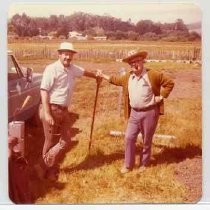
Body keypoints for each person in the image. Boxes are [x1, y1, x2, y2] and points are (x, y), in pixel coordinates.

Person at [97, 50, 174, 174]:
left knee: (146, 140)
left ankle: (144, 163)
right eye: (131, 63)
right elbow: (116, 80)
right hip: (134, 113)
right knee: (129, 137)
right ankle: (128, 165)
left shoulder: (153, 74)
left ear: (142, 61)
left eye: (137, 61)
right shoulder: (128, 76)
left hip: (150, 112)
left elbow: (169, 83)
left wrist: (161, 96)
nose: (134, 64)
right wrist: (103, 75)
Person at [35, 42, 101, 181]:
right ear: (59, 54)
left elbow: (85, 72)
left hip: (64, 111)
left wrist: (96, 76)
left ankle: (43, 165)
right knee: (50, 140)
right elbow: (44, 91)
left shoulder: (72, 68)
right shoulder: (51, 69)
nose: (68, 57)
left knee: (65, 141)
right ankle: (47, 170)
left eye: (70, 54)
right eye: (65, 54)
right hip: (51, 108)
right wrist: (47, 114)